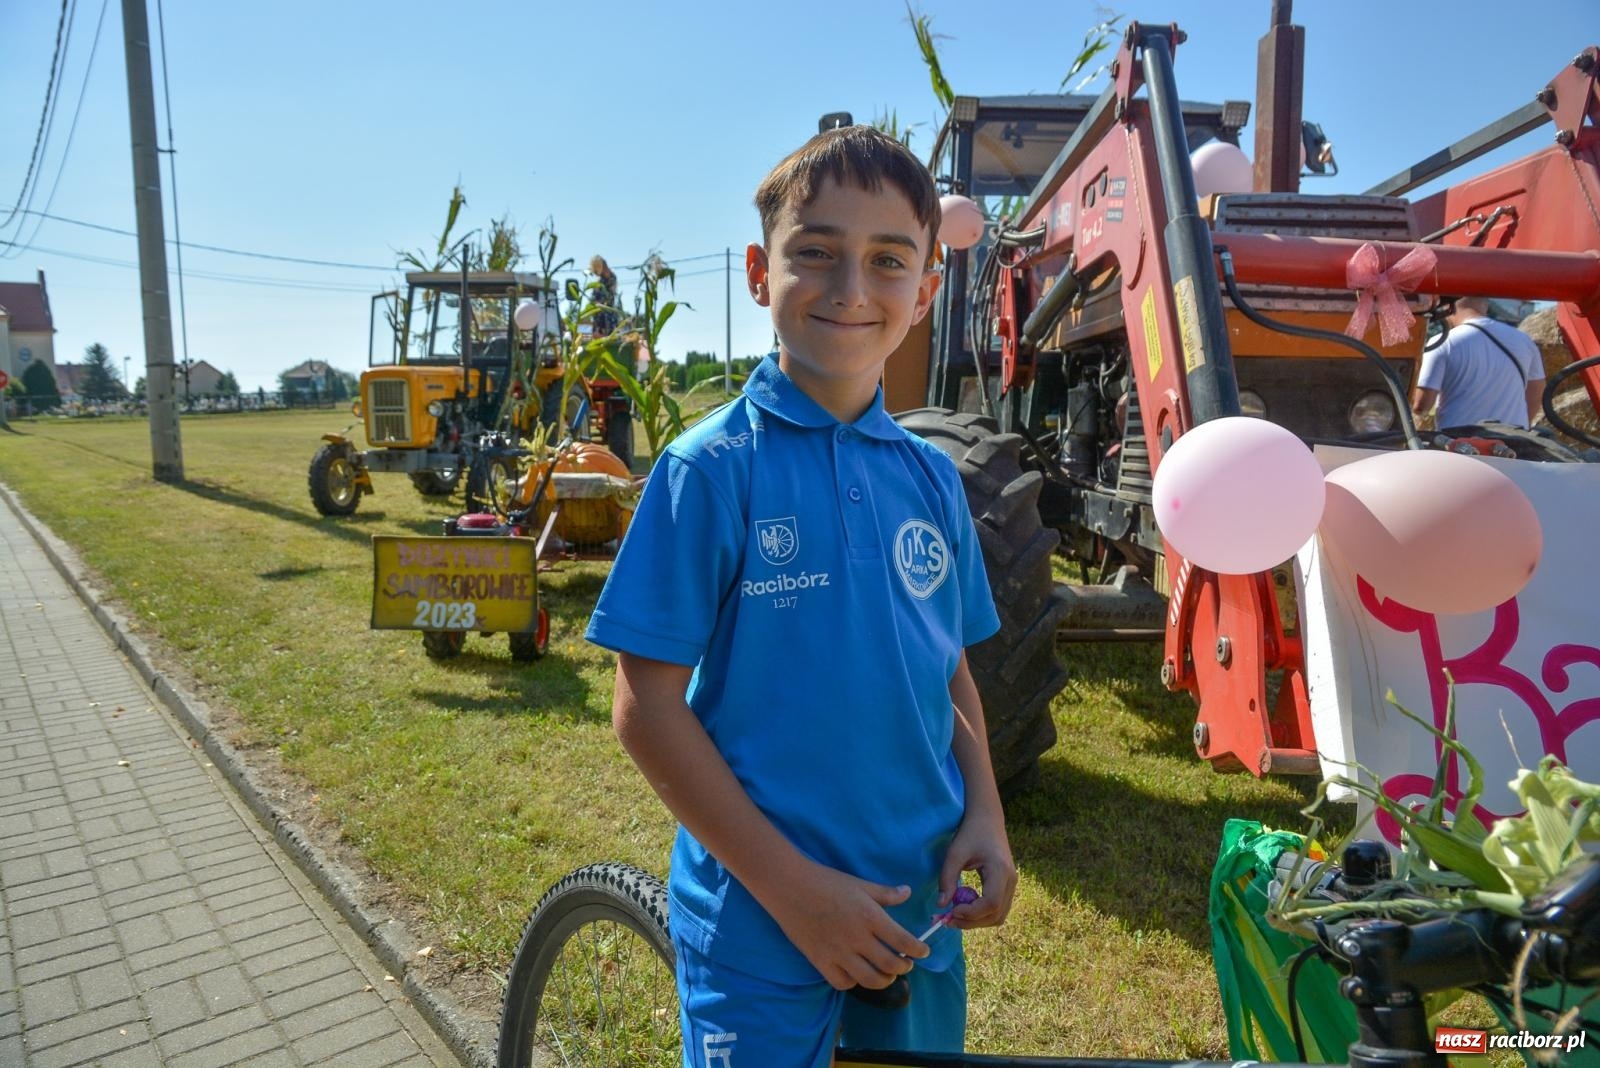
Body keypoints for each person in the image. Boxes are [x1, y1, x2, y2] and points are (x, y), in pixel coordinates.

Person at [585, 125, 1016, 1066]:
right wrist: (795, 893)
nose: (851, 287)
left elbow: (949, 670)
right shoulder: (709, 471)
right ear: (757, 269)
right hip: (762, 923)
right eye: (815, 251)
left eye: (888, 261)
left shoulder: (933, 481)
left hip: (918, 913)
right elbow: (646, 707)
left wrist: (984, 811)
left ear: (927, 291)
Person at [1412, 296, 1545, 429]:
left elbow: (1421, 405)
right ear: (1485, 306)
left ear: (1448, 307)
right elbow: (1535, 393)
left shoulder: (1443, 343)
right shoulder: (1523, 340)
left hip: (1459, 440)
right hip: (1513, 438)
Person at [590, 254, 620, 337]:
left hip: (607, 316)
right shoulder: (599, 282)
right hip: (599, 315)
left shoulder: (611, 279)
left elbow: (609, 298)